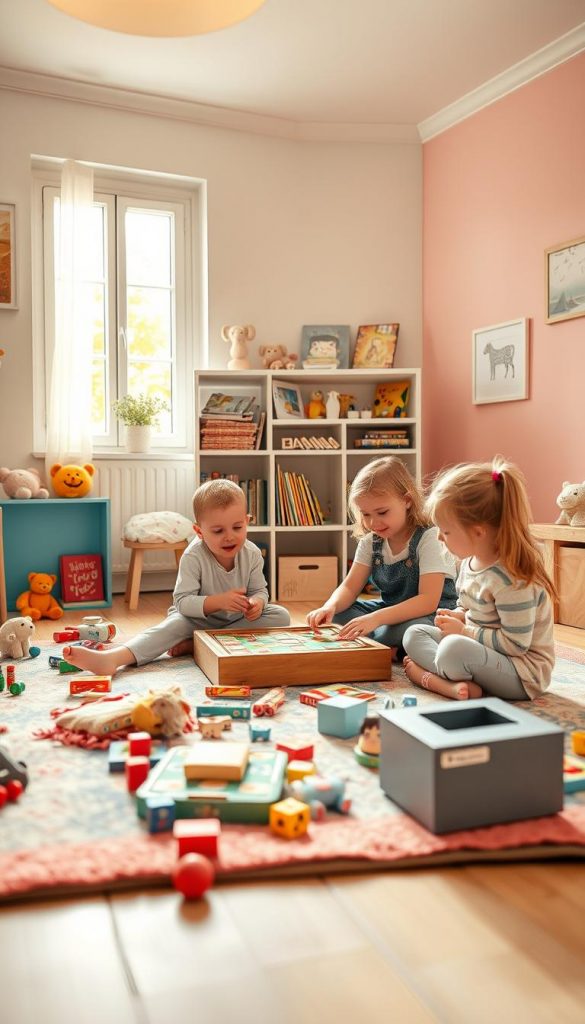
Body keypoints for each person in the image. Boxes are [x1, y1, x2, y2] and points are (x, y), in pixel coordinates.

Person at [63, 479, 290, 678]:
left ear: (247, 522)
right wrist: (218, 602)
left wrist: (257, 604)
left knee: (280, 615)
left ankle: (198, 644)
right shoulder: (193, 555)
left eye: (237, 527)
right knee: (171, 625)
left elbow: (260, 591)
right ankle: (113, 658)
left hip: (235, 621)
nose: (229, 536)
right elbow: (182, 602)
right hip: (195, 620)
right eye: (218, 531)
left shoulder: (251, 554)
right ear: (199, 531)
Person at [403, 456, 555, 702]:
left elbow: (516, 646)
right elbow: (470, 606)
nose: (440, 538)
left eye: (447, 531)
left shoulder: (512, 580)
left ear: (478, 532)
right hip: (481, 650)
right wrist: (460, 614)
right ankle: (455, 681)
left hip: (521, 673)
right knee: (414, 634)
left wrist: (464, 630)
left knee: (453, 650)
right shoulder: (470, 562)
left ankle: (437, 681)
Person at [306, 456, 458, 655]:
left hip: (431, 615)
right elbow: (350, 588)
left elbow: (427, 600)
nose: (373, 523)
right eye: (366, 514)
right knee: (338, 616)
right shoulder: (371, 542)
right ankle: (389, 645)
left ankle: (383, 641)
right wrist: (329, 607)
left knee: (413, 629)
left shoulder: (429, 537)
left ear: (407, 501)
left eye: (382, 512)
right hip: (389, 611)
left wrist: (376, 619)